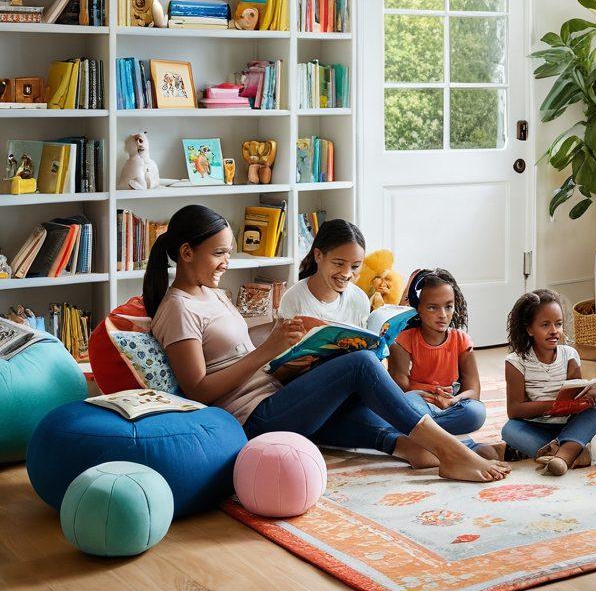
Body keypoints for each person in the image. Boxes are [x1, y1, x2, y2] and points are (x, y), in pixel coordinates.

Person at [147, 205, 508, 482]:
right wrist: (267, 351)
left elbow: (238, 355)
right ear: (186, 252)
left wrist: (290, 352)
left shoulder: (212, 294)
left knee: (358, 390)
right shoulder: (178, 308)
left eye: (228, 252)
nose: (227, 262)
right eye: (219, 254)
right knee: (361, 367)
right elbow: (198, 391)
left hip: (273, 396)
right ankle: (453, 451)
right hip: (252, 417)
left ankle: (413, 447)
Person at [502, 289, 596, 475]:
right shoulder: (516, 361)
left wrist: (584, 398)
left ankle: (562, 456)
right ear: (529, 329)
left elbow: (576, 392)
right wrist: (554, 405)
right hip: (537, 426)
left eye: (559, 324)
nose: (554, 331)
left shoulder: (569, 355)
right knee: (510, 430)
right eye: (545, 325)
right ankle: (576, 452)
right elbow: (514, 410)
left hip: (570, 424)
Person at [388, 269, 495, 455]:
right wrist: (432, 396)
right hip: (420, 400)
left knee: (476, 412)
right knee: (407, 404)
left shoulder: (461, 340)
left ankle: (422, 433)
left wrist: (455, 399)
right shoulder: (403, 341)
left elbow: (473, 390)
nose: (443, 314)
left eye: (448, 306)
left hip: (450, 404)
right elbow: (400, 388)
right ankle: (449, 441)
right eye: (432, 307)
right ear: (418, 308)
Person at [278, 219, 369, 326]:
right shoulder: (293, 299)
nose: (347, 273)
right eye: (339, 264)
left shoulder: (360, 300)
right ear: (318, 256)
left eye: (355, 266)